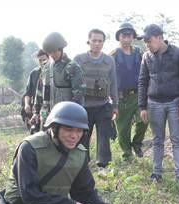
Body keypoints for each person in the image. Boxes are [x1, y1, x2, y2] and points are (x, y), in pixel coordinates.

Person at [138, 24, 179, 185]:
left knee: (177, 139)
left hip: (175, 102)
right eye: (145, 41)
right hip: (154, 103)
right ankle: (156, 173)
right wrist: (142, 107)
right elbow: (142, 81)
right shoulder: (146, 56)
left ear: (160, 37)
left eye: (149, 40)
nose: (147, 44)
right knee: (157, 139)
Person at [74, 29, 118, 169]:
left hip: (103, 105)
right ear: (89, 41)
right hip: (83, 106)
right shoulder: (79, 59)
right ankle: (81, 164)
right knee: (82, 137)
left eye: (100, 41)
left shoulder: (109, 60)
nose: (97, 43)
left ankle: (102, 166)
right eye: (94, 40)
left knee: (104, 137)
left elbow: (113, 83)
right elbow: (73, 84)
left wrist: (115, 104)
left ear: (103, 43)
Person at [110, 22, 148, 160]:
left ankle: (137, 144)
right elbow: (109, 76)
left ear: (133, 37)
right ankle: (127, 154)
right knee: (123, 129)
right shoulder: (113, 55)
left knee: (143, 120)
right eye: (123, 36)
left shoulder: (139, 53)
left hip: (139, 94)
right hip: (121, 97)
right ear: (119, 37)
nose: (126, 39)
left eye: (129, 36)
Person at [33, 32, 85, 128]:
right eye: (50, 52)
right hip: (46, 116)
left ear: (61, 48)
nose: (52, 55)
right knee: (44, 141)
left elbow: (79, 96)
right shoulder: (46, 68)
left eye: (55, 51)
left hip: (65, 116)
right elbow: (39, 91)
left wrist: (74, 117)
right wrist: (36, 111)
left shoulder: (73, 67)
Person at [23, 50, 49, 133]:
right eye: (40, 60)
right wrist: (27, 105)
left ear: (49, 59)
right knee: (35, 131)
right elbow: (28, 92)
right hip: (36, 107)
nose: (42, 62)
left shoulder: (53, 72)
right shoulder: (34, 73)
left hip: (49, 107)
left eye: (44, 60)